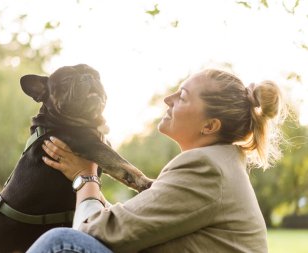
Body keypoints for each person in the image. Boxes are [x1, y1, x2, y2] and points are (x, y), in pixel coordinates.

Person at [26, 68, 284, 253]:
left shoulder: (206, 168)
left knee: (60, 242)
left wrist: (85, 178)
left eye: (182, 97)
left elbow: (92, 232)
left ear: (210, 125)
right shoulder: (220, 163)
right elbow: (131, 222)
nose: (167, 100)